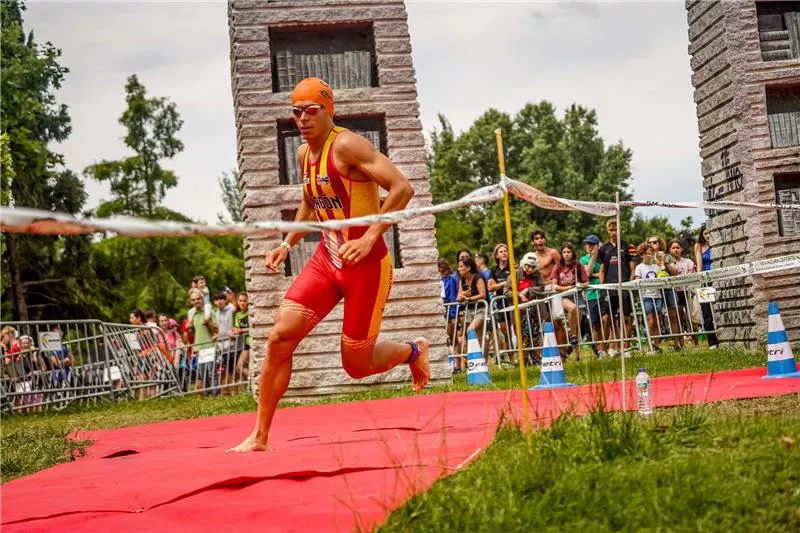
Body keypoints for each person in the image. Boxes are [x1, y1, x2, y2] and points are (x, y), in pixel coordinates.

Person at [230, 77, 429, 452]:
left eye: (310, 111)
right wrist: (287, 243)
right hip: (327, 259)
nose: (302, 119)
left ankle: (413, 351)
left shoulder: (348, 145)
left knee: (356, 365)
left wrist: (370, 236)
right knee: (279, 337)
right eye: (296, 111)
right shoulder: (304, 154)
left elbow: (402, 188)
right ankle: (260, 435)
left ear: (328, 110)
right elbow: (311, 199)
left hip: (367, 265)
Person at [598, 218, 636, 357]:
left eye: (616, 229)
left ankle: (627, 348)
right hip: (609, 287)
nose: (614, 232)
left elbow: (633, 268)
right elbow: (602, 270)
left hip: (625, 285)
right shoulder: (603, 249)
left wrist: (629, 284)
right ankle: (608, 348)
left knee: (626, 318)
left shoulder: (628, 246)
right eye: (611, 230)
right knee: (607, 319)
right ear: (607, 231)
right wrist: (603, 287)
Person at [550, 242, 588, 348]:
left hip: (577, 295)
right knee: (572, 308)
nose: (566, 254)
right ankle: (573, 336)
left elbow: (586, 282)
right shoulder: (557, 267)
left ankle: (574, 348)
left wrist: (580, 285)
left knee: (578, 325)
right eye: (564, 252)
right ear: (561, 254)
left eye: (568, 252)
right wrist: (567, 288)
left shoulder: (578, 265)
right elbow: (554, 285)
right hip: (563, 296)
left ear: (573, 253)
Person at [664, 239, 697, 350]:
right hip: (675, 292)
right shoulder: (667, 262)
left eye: (678, 247)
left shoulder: (688, 261)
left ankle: (696, 343)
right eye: (673, 248)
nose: (676, 249)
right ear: (669, 250)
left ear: (681, 249)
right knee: (678, 319)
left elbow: (692, 272)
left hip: (687, 291)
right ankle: (679, 344)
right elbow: (674, 272)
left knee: (691, 318)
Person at [456, 256, 489, 365]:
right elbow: (458, 297)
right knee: (478, 335)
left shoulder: (478, 277)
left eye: (461, 267)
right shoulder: (462, 280)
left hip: (481, 309)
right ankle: (479, 363)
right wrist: (462, 297)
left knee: (471, 330)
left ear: (468, 267)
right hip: (469, 310)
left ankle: (483, 362)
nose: (458, 269)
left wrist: (469, 298)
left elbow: (483, 295)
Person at [580, 235, 608, 358]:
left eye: (592, 244)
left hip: (603, 292)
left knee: (606, 319)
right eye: (587, 244)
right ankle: (599, 350)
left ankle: (606, 347)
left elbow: (605, 274)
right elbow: (587, 274)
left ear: (598, 245)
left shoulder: (603, 258)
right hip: (591, 294)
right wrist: (593, 257)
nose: (589, 246)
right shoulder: (583, 259)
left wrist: (596, 274)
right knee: (596, 324)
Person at [634, 243, 664, 352]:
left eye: (650, 253)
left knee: (657, 322)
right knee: (650, 321)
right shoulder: (639, 267)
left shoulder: (656, 267)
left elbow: (661, 276)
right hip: (646, 296)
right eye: (646, 254)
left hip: (657, 296)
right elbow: (637, 278)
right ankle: (650, 344)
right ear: (641, 255)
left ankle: (656, 345)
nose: (648, 256)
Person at [693, 224, 719, 348]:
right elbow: (699, 263)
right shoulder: (698, 246)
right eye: (705, 233)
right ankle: (712, 341)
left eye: (710, 233)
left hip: (717, 277)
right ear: (702, 235)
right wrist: (700, 278)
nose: (708, 235)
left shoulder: (717, 245)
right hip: (706, 279)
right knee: (706, 310)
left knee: (717, 307)